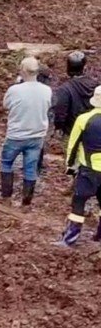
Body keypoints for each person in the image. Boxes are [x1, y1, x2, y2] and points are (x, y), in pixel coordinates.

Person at [0, 57, 52, 206]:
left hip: (16, 135)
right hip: (37, 135)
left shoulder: (14, 90)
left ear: (22, 70)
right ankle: (26, 202)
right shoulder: (46, 90)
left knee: (6, 163)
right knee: (30, 168)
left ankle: (6, 196)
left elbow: (5, 105)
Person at [58, 86, 101, 246]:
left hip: (89, 169)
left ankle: (69, 239)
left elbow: (73, 144)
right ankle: (98, 237)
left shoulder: (84, 119)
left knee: (79, 201)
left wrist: (70, 165)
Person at [53, 51, 98, 136]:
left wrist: (59, 127)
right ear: (84, 68)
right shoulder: (95, 84)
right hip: (92, 129)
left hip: (72, 131)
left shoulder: (65, 89)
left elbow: (61, 111)